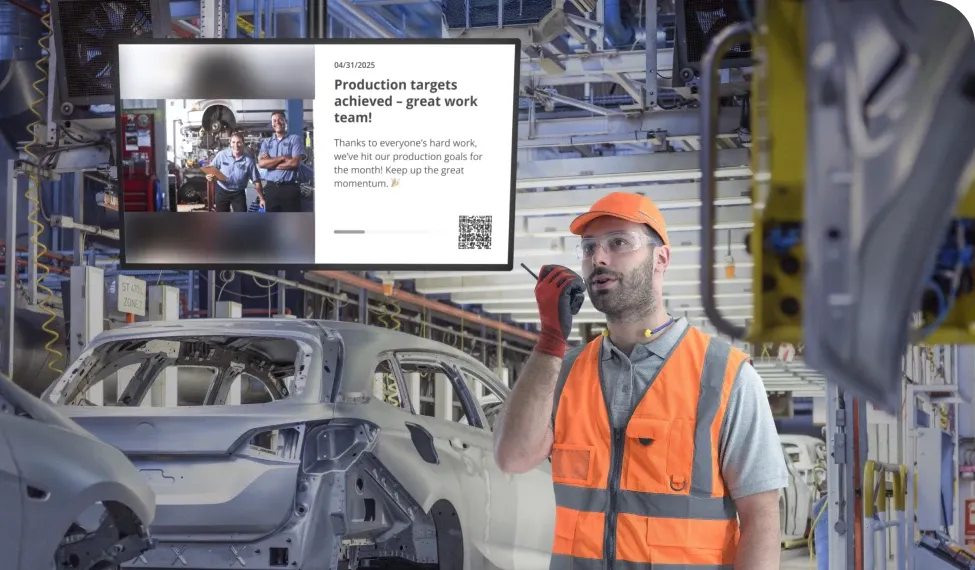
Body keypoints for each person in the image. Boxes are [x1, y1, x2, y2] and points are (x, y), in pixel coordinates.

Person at [493, 192, 787, 570]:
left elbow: (761, 518)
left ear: (660, 258)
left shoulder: (727, 377)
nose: (598, 258)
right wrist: (551, 339)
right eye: (589, 248)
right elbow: (512, 456)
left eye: (618, 243)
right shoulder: (563, 372)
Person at [257, 111, 305, 212]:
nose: (277, 122)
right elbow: (261, 164)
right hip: (271, 189)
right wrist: (283, 158)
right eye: (274, 120)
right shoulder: (266, 143)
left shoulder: (295, 139)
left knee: (293, 220)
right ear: (272, 123)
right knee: (272, 221)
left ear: (285, 121)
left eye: (280, 120)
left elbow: (294, 163)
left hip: (290, 189)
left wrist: (270, 162)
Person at [206, 131, 264, 212]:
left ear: (243, 144)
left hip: (238, 192)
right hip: (222, 190)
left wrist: (261, 198)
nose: (236, 145)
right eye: (233, 142)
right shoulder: (221, 155)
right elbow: (210, 169)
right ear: (230, 143)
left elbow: (256, 181)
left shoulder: (249, 161)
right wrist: (208, 176)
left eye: (239, 142)